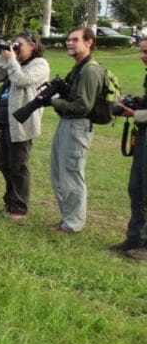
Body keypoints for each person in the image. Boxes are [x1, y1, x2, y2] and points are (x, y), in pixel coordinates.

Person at [0, 31, 50, 219]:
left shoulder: (40, 64)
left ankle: (19, 207)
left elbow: (23, 80)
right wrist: (3, 55)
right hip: (2, 118)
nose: (15, 47)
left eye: (19, 44)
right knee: (3, 162)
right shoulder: (15, 62)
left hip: (21, 122)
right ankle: (10, 201)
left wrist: (12, 60)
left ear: (32, 46)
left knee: (18, 164)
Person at [50, 26, 105, 233]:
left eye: (75, 40)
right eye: (68, 40)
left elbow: (83, 106)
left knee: (72, 173)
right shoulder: (79, 66)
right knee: (59, 173)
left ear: (88, 42)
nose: (69, 43)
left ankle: (73, 224)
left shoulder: (90, 70)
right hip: (68, 123)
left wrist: (55, 102)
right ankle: (67, 218)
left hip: (78, 125)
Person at [112, 39, 147, 258]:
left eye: (146, 51)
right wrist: (135, 100)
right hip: (142, 137)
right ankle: (134, 238)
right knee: (136, 189)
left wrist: (134, 114)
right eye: (142, 51)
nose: (142, 55)